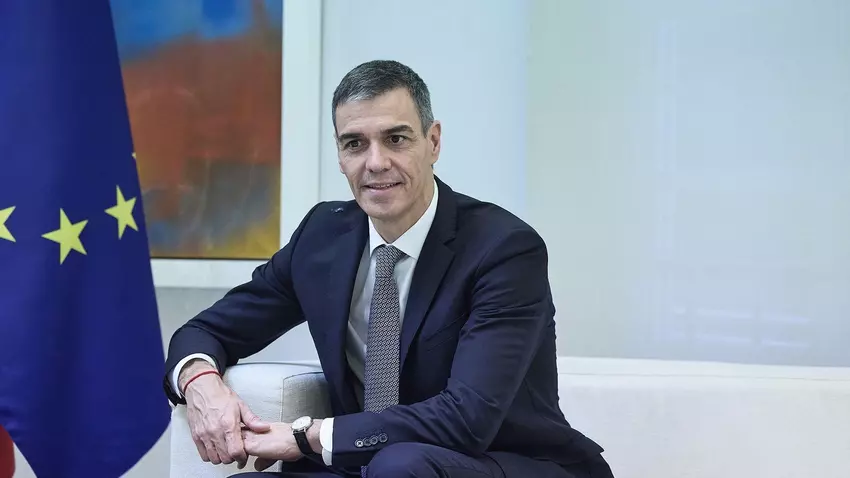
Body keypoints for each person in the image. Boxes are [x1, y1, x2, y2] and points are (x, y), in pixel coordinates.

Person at [164, 59, 614, 478]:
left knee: (399, 466)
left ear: (433, 142)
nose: (376, 163)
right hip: (369, 464)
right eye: (355, 144)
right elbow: (206, 331)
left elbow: (468, 417)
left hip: (504, 461)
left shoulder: (503, 249)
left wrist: (307, 436)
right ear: (340, 156)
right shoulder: (322, 238)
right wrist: (200, 382)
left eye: (396, 139)